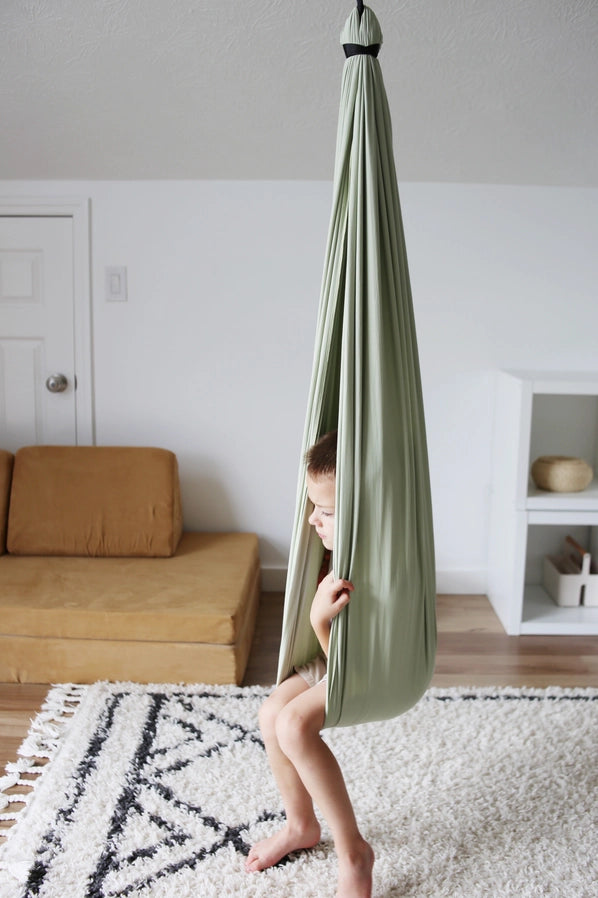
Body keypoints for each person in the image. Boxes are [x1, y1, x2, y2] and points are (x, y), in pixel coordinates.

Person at [246, 430, 374, 898]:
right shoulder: (333, 552)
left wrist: (321, 620)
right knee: (270, 713)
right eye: (312, 505)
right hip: (333, 656)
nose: (311, 521)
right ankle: (301, 825)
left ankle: (353, 852)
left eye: (326, 511)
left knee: (295, 726)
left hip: (363, 665)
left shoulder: (371, 565)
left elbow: (350, 662)